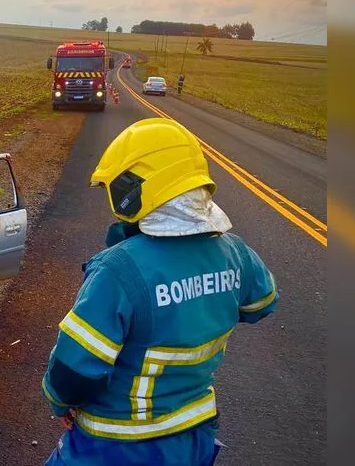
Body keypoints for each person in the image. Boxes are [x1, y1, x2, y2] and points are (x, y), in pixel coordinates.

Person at [42, 118, 278, 465]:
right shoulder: (236, 252)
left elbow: (75, 369)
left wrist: (59, 402)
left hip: (117, 443)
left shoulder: (118, 269)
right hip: (193, 435)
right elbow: (262, 303)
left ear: (133, 191)